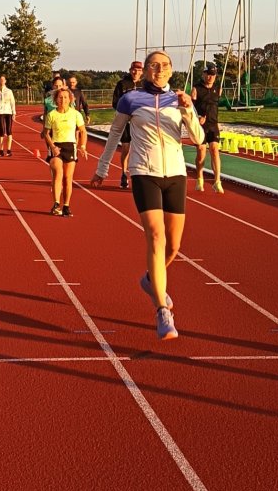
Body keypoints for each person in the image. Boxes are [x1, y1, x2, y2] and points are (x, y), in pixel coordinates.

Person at [91, 50, 204, 340]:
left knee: (175, 246)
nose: (159, 70)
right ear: (147, 70)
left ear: (171, 70)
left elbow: (198, 138)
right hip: (143, 172)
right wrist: (103, 167)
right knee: (156, 236)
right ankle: (161, 310)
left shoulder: (178, 100)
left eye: (164, 65)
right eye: (154, 65)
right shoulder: (131, 98)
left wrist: (189, 109)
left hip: (176, 173)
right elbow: (115, 133)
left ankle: (151, 279)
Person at [44, 86, 88, 216]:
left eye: (65, 97)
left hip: (70, 146)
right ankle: (56, 203)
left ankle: (66, 205)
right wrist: (52, 146)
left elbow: (83, 131)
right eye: (60, 97)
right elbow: (46, 133)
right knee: (58, 172)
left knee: (68, 178)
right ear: (56, 100)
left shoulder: (76, 114)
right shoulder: (51, 115)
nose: (62, 100)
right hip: (56, 146)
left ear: (70, 99)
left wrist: (83, 146)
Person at [112, 60, 145, 188]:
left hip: (141, 122)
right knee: (125, 148)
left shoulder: (145, 84)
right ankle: (124, 173)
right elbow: (115, 102)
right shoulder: (122, 84)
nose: (136, 72)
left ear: (142, 71)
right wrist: (126, 113)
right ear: (130, 70)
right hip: (126, 120)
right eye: (133, 69)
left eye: (138, 70)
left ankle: (140, 175)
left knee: (141, 149)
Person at [192, 63, 223, 193]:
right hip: (200, 125)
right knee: (201, 152)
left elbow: (215, 107)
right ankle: (199, 178)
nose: (210, 77)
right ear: (203, 74)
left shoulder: (218, 89)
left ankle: (217, 181)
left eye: (213, 75)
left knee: (215, 150)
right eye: (208, 74)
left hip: (213, 124)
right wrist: (197, 116)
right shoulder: (196, 89)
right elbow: (190, 107)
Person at [0, 74, 17, 156]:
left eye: (3, 80)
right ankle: (1, 150)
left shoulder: (9, 91)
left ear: (5, 81)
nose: (2, 81)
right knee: (2, 130)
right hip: (0, 112)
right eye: (0, 80)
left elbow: (12, 102)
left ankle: (9, 150)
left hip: (8, 112)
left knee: (9, 131)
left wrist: (14, 113)